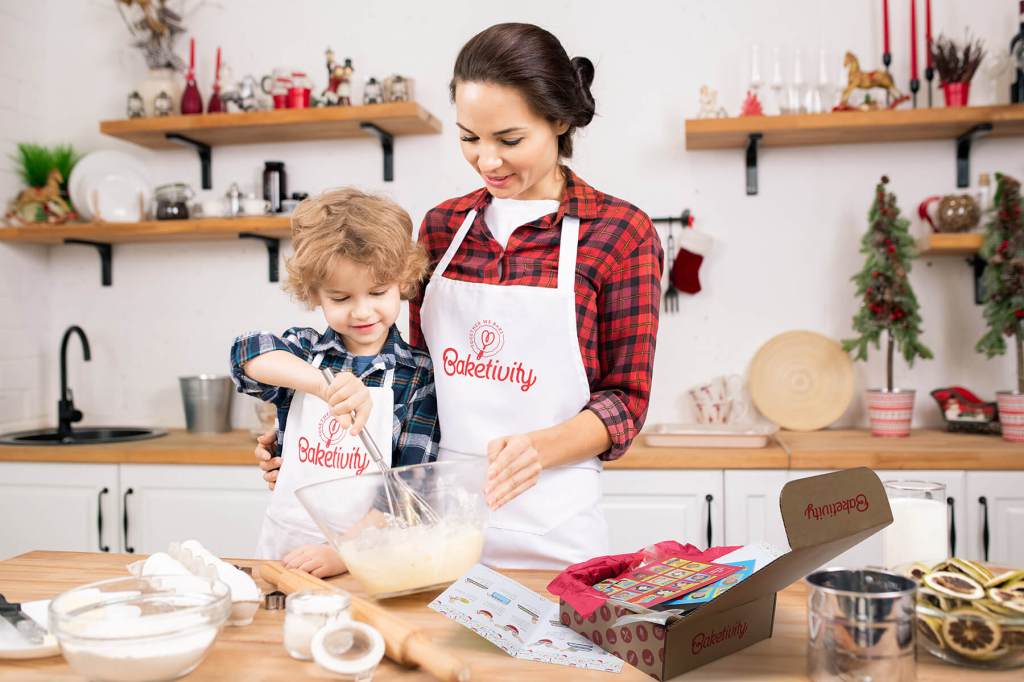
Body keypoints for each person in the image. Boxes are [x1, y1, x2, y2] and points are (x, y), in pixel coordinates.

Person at [257, 23, 662, 570]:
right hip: (430, 528)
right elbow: (409, 376)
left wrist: (539, 448)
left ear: (560, 121)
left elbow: (625, 400)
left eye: (509, 141)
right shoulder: (443, 227)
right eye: (470, 138)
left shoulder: (619, 233)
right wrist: (308, 439)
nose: (487, 161)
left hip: (556, 532)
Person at [232, 188, 439, 577]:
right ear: (315, 294)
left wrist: (343, 552)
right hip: (285, 548)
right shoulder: (303, 351)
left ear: (402, 282)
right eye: (341, 298)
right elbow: (246, 353)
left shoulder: (419, 375)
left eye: (377, 292)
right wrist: (323, 385)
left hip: (370, 557)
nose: (362, 311)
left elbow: (410, 490)